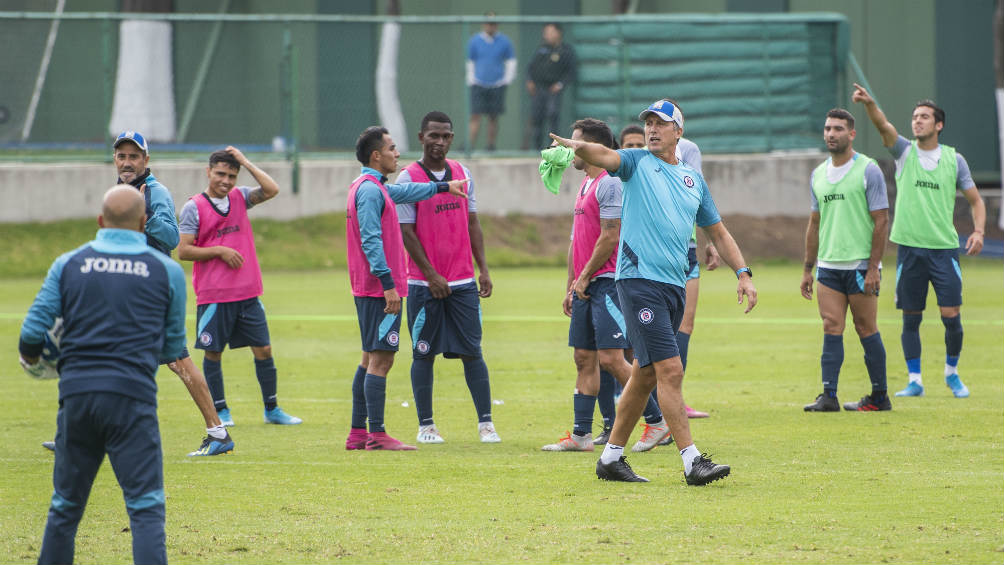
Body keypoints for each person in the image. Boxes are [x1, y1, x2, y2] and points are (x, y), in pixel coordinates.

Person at [550, 99, 757, 485]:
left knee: (644, 375)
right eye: (648, 123)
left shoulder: (693, 181)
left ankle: (611, 458)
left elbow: (719, 232)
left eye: (661, 123)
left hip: (673, 286)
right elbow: (606, 155)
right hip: (637, 281)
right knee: (670, 369)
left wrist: (743, 273)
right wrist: (576, 146)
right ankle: (692, 461)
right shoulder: (636, 163)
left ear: (678, 131)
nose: (651, 129)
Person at [20, 185, 187, 565]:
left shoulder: (69, 263)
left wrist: (40, 360)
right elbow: (170, 346)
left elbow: (31, 335)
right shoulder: (167, 272)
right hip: (132, 398)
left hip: (77, 396)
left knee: (65, 507)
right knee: (145, 509)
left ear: (100, 221)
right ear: (144, 223)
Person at [41, 131, 232, 457]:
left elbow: (173, 238)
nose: (127, 162)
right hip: (120, 291)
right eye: (121, 156)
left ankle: (217, 432)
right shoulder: (119, 191)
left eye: (134, 156)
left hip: (149, 293)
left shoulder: (154, 192)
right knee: (99, 357)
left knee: (177, 359)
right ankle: (76, 434)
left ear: (145, 160)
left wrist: (147, 212)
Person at [541, 118, 669, 453]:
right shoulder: (585, 184)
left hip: (607, 283)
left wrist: (584, 277)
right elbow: (576, 241)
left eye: (574, 142)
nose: (569, 149)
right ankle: (581, 435)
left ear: (592, 147)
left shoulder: (610, 183)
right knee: (584, 358)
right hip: (584, 285)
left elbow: (610, 236)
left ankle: (657, 421)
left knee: (612, 359)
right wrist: (571, 284)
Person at [852, 84, 986, 398]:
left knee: (951, 316)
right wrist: (871, 104)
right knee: (910, 317)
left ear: (938, 125)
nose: (917, 121)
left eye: (924, 117)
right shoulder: (904, 152)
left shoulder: (955, 160)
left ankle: (952, 373)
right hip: (910, 250)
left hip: (943, 250)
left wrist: (979, 232)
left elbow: (977, 201)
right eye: (915, 117)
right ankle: (915, 381)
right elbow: (884, 126)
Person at [345, 126, 470, 451]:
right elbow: (371, 240)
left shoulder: (370, 186)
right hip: (378, 289)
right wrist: (388, 285)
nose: (397, 154)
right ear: (376, 155)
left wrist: (445, 186)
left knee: (367, 358)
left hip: (366, 287)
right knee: (381, 360)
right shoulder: (372, 192)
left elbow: (408, 193)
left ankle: (358, 432)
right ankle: (378, 433)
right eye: (391, 148)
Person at [177, 147, 302, 427]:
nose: (226, 181)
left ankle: (272, 409)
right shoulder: (193, 207)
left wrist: (245, 161)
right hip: (214, 295)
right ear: (208, 172)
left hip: (247, 293)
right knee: (213, 352)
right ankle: (221, 411)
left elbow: (272, 189)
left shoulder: (241, 197)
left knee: (264, 350)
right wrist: (219, 250)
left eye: (232, 175)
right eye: (220, 174)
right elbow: (183, 251)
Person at [395, 111, 500, 444]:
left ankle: (486, 424)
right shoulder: (407, 178)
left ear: (451, 138)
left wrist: (482, 268)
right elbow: (406, 232)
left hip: (463, 282)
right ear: (421, 137)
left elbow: (473, 223)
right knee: (423, 353)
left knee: (472, 351)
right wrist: (430, 274)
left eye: (445, 136)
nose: (439, 142)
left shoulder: (462, 173)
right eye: (433, 136)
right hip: (424, 285)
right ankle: (426, 426)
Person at [800, 108, 892, 412]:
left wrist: (873, 266)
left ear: (851, 134)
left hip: (860, 267)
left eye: (838, 129)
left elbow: (881, 221)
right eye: (827, 128)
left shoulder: (868, 170)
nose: (831, 133)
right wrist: (807, 269)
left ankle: (880, 396)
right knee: (831, 326)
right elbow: (814, 223)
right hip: (828, 266)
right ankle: (829, 396)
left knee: (866, 327)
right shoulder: (818, 174)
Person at [466, 11, 516, 152]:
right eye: (488, 23)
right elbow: (470, 61)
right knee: (475, 115)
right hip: (478, 83)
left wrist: (506, 79)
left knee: (493, 117)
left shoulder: (505, 41)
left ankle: (490, 145)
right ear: (484, 24)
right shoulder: (475, 41)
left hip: (497, 84)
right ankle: (470, 145)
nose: (491, 26)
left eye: (493, 24)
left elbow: (511, 61)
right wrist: (471, 79)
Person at [526, 23, 577, 150]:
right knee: (537, 118)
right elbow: (530, 68)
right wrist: (530, 81)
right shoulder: (541, 50)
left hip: (553, 91)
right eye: (545, 32)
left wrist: (560, 85)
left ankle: (553, 148)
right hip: (539, 90)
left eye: (550, 32)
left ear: (558, 33)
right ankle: (536, 149)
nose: (546, 35)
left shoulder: (566, 51)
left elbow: (571, 72)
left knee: (552, 115)